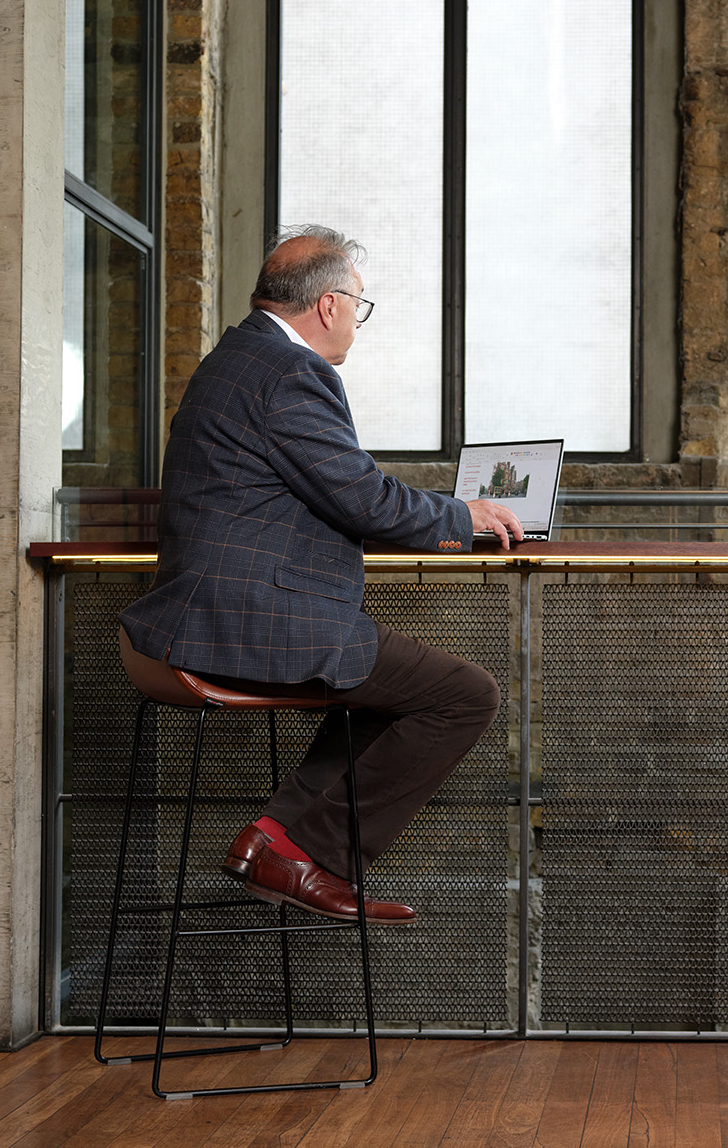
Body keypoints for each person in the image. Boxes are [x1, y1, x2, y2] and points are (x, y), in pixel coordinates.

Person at [119, 225, 523, 924]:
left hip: (203, 611)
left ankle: (275, 838)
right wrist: (467, 516)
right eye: (359, 309)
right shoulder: (292, 372)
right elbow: (363, 499)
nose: (356, 328)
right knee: (464, 695)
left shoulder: (237, 358)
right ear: (330, 305)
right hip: (246, 618)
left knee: (385, 688)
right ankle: (310, 854)